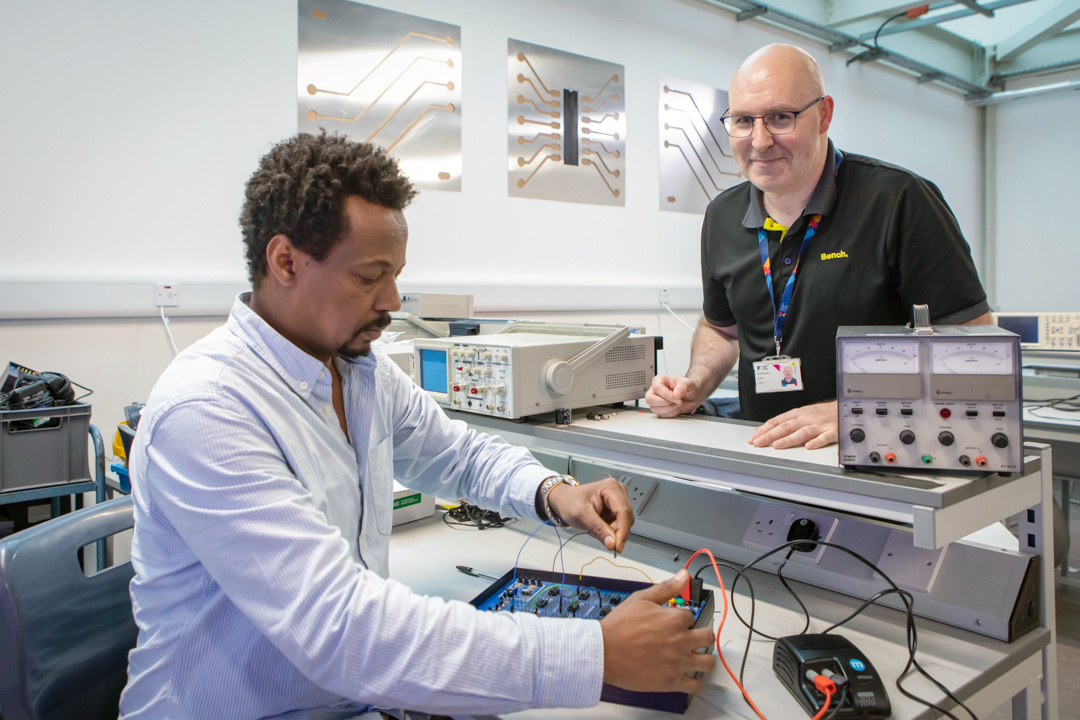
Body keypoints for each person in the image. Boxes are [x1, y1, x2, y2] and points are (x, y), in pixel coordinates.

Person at [119, 133, 715, 719]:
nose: (393, 299)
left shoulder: (357, 371)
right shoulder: (208, 410)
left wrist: (554, 493)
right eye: (369, 276)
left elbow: (455, 454)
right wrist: (596, 653)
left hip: (353, 697)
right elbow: (344, 629)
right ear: (285, 262)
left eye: (396, 274)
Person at [647, 44, 991, 449]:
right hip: (765, 458)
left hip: (881, 458)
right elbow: (721, 330)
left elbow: (976, 350)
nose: (759, 141)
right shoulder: (722, 215)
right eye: (742, 120)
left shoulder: (900, 201)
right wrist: (696, 383)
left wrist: (851, 410)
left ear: (824, 114)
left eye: (780, 117)